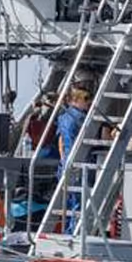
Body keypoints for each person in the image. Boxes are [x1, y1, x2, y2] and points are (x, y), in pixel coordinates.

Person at [57, 87, 93, 233]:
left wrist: (63, 159)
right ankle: (74, 233)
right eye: (86, 99)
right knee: (78, 203)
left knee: (68, 203)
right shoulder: (81, 119)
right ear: (76, 100)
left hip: (65, 163)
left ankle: (68, 232)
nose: (89, 102)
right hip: (79, 163)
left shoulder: (63, 117)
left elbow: (60, 141)